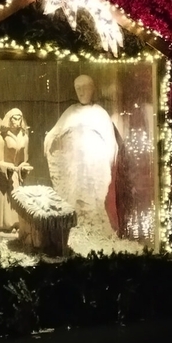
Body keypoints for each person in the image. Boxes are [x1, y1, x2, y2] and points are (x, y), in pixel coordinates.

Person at [43, 75, 119, 235]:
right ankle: (73, 227)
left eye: (85, 88)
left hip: (92, 169)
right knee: (73, 196)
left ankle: (93, 229)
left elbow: (111, 141)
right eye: (78, 89)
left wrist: (109, 163)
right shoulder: (70, 111)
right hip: (73, 167)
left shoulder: (99, 113)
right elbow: (55, 131)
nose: (81, 92)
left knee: (91, 201)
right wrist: (48, 139)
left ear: (92, 89)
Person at [0, 108, 33, 232]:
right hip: (5, 175)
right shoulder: (1, 138)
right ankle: (5, 225)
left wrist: (23, 167)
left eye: (19, 119)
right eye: (14, 119)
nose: (17, 122)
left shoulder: (25, 138)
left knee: (17, 198)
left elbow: (24, 159)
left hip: (17, 176)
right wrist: (7, 167)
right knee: (6, 199)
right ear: (9, 120)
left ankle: (17, 224)